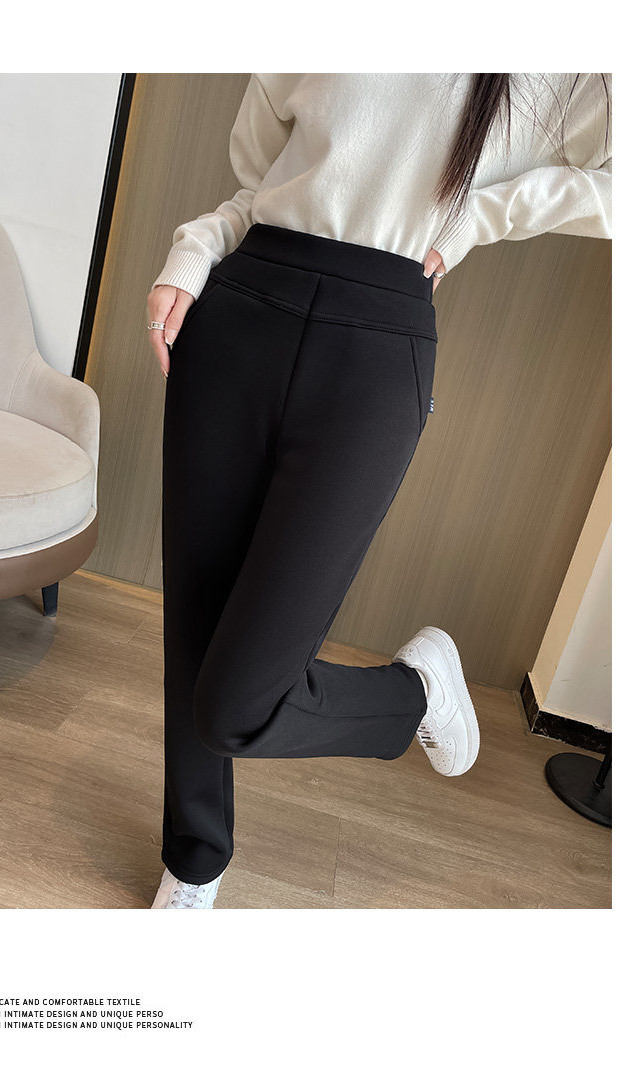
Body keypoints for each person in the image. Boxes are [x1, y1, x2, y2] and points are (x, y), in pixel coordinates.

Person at [145, 73, 612, 910]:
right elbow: (263, 186)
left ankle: (415, 693)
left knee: (238, 701)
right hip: (240, 307)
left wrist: (483, 215)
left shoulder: (559, 66)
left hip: (377, 344)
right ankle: (194, 861)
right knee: (195, 624)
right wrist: (196, 246)